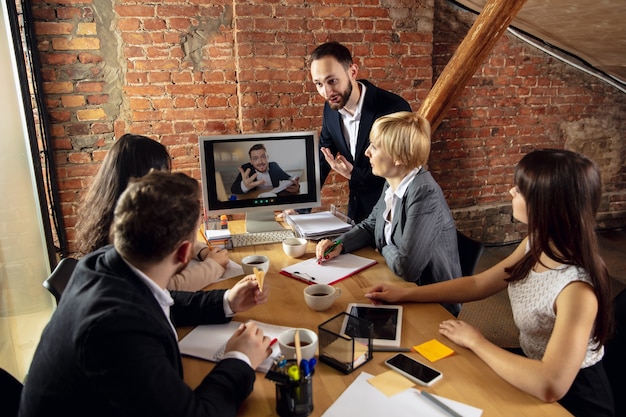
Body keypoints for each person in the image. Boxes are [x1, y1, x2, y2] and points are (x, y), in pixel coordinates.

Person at [365, 149, 614, 417]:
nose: (510, 192)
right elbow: (478, 284)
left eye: (519, 189)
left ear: (546, 204)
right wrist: (405, 294)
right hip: (529, 367)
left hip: (573, 401)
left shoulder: (577, 289)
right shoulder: (536, 243)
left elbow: (550, 384)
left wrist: (477, 341)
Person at [19, 171, 272, 417]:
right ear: (185, 253)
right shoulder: (117, 329)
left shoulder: (102, 261)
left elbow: (155, 301)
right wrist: (240, 359)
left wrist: (227, 301)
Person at [316, 112, 461, 316]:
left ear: (399, 157)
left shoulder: (424, 192)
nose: (367, 152)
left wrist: (383, 246)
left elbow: (407, 268)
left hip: (430, 303)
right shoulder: (393, 182)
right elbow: (370, 225)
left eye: (374, 146)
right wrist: (338, 244)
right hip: (395, 284)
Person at [75, 134, 229, 291]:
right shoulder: (123, 228)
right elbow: (165, 286)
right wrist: (214, 266)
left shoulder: (128, 211)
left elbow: (167, 238)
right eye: (163, 173)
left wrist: (201, 251)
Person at [310, 41, 412, 223]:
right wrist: (300, 208)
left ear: (353, 71)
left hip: (391, 216)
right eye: (318, 84)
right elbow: (324, 157)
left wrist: (354, 175)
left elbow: (402, 169)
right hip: (357, 214)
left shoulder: (394, 108)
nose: (326, 92)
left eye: (332, 81)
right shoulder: (330, 109)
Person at [230, 143, 300, 194]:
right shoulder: (246, 168)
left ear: (267, 158)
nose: (260, 162)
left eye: (263, 157)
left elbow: (288, 178)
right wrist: (245, 186)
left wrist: (296, 185)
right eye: (255, 158)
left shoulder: (274, 166)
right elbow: (233, 189)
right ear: (251, 161)